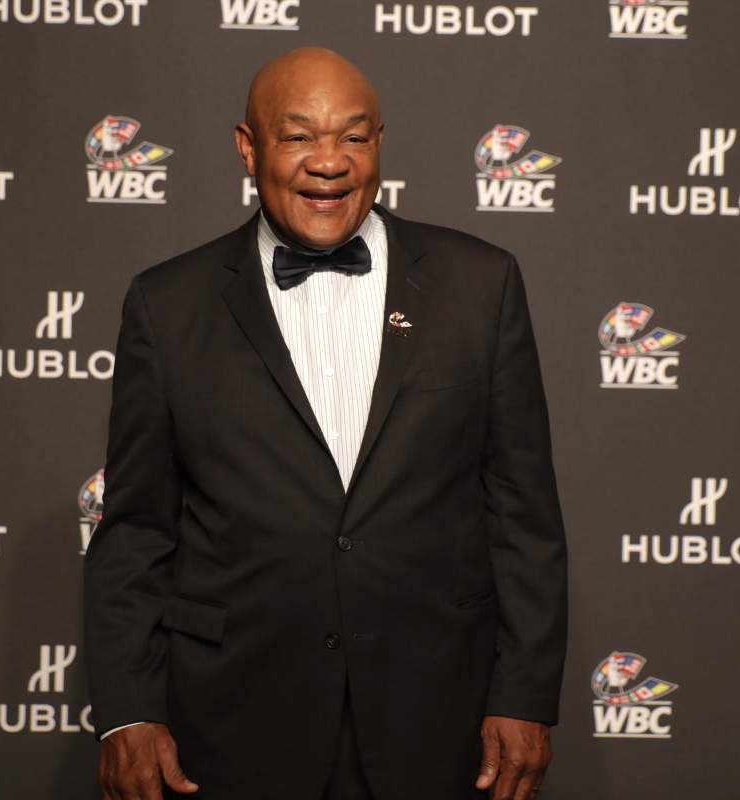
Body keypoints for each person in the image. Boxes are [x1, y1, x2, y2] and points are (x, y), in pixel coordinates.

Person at [84, 47, 568, 800]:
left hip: (441, 723)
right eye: (299, 135)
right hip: (232, 725)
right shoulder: (167, 305)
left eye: (353, 136)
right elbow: (137, 533)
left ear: (380, 143)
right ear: (249, 147)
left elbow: (523, 514)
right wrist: (126, 714)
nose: (329, 162)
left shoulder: (482, 284)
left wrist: (526, 695)